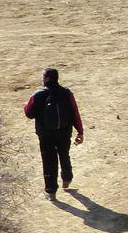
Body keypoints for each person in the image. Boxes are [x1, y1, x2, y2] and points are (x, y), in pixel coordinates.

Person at [23, 68, 84, 199]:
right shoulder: (67, 93)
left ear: (47, 78)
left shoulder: (38, 94)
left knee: (49, 161)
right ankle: (67, 178)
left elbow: (29, 113)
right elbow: (75, 112)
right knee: (64, 154)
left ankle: (51, 192)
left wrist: (25, 106)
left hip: (45, 135)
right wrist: (80, 132)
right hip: (64, 132)